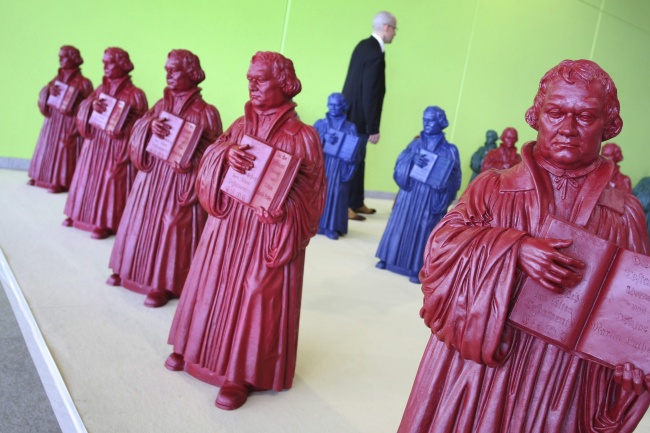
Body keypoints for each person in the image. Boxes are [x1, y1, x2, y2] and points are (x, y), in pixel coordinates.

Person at [398, 59, 650, 432]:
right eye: (556, 113)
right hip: (479, 369)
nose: (568, 129)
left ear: (608, 125)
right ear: (537, 116)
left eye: (585, 116)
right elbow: (440, 251)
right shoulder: (493, 187)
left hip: (561, 383)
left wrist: (633, 363)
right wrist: (513, 249)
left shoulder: (625, 215)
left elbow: (635, 312)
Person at [165, 51, 326, 411]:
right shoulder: (239, 125)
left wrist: (284, 209)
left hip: (265, 232)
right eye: (249, 78)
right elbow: (211, 157)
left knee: (255, 292)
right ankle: (192, 350)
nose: (252, 84)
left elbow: (313, 196)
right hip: (228, 226)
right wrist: (224, 157)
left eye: (260, 79)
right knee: (210, 280)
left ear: (284, 83)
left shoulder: (303, 136)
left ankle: (241, 373)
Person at [107, 49, 222, 308]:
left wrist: (191, 158)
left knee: (171, 226)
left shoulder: (206, 112)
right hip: (153, 176)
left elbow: (213, 153)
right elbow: (139, 128)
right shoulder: (160, 105)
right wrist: (149, 127)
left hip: (180, 181)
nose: (168, 74)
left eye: (174, 70)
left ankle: (164, 283)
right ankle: (127, 270)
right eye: (167, 70)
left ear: (191, 73)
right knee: (138, 218)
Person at [63, 47, 148, 239]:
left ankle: (105, 222)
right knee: (86, 176)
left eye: (110, 63)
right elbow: (84, 107)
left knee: (110, 181)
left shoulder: (135, 94)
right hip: (95, 144)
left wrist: (124, 125)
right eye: (104, 63)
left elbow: (140, 126)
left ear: (122, 65)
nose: (105, 66)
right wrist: (91, 106)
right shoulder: (101, 89)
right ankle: (77, 214)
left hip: (117, 147)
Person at [376, 106, 460, 283]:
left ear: (440, 122)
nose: (426, 123)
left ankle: (417, 267)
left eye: (431, 120)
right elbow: (400, 163)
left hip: (429, 197)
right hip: (410, 193)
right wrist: (411, 160)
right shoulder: (415, 144)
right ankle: (388, 258)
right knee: (399, 224)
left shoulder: (449, 150)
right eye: (424, 119)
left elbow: (455, 178)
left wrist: (443, 189)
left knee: (423, 229)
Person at [342, 10, 397, 221]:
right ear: (387, 28)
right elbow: (370, 93)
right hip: (360, 119)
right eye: (394, 29)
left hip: (350, 115)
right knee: (353, 162)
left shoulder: (363, 45)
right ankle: (345, 206)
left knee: (358, 160)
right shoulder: (375, 53)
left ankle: (356, 202)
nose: (395, 34)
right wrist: (373, 127)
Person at [28, 45, 93, 193]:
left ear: (73, 59)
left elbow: (88, 105)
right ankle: (39, 176)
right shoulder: (58, 78)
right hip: (53, 119)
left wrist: (77, 106)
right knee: (46, 146)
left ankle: (60, 181)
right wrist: (48, 90)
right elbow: (46, 91)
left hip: (69, 122)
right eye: (60, 57)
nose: (60, 59)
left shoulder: (83, 82)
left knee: (64, 149)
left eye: (63, 57)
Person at [314, 92, 359, 239]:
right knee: (319, 193)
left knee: (337, 194)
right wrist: (323, 138)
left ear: (343, 106)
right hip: (323, 164)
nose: (333, 108)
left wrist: (349, 159)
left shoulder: (350, 127)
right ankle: (316, 224)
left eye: (336, 105)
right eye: (330, 104)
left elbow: (354, 149)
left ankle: (332, 227)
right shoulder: (320, 124)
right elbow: (309, 143)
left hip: (339, 166)